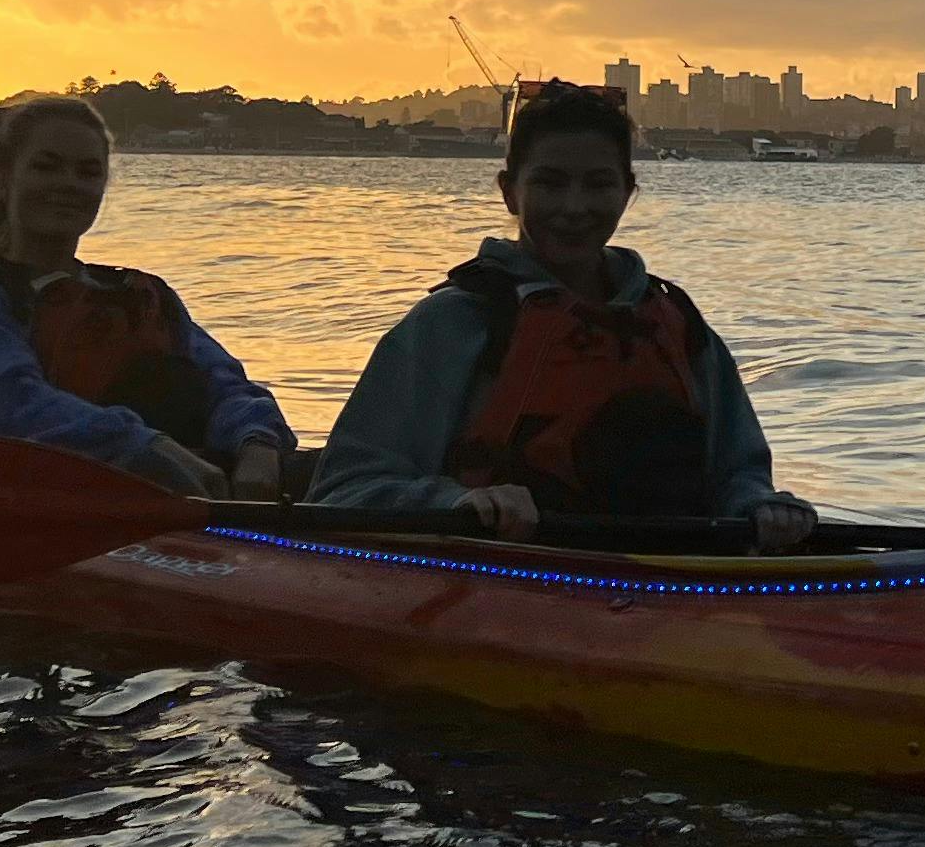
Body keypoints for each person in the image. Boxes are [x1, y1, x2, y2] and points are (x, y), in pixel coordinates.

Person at [313, 80, 817, 547]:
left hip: (668, 578)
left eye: (598, 185)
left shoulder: (678, 323)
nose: (574, 207)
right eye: (550, 184)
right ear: (509, 191)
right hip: (498, 577)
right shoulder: (450, 325)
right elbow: (344, 489)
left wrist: (760, 506)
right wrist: (455, 503)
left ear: (628, 191)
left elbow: (739, 474)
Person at [0, 96, 296, 497]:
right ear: (2, 178)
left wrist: (257, 443)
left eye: (88, 172)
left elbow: (224, 381)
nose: (68, 184)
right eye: (46, 167)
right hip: (40, 504)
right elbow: (4, 407)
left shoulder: (143, 297)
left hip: (184, 506)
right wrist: (150, 450)